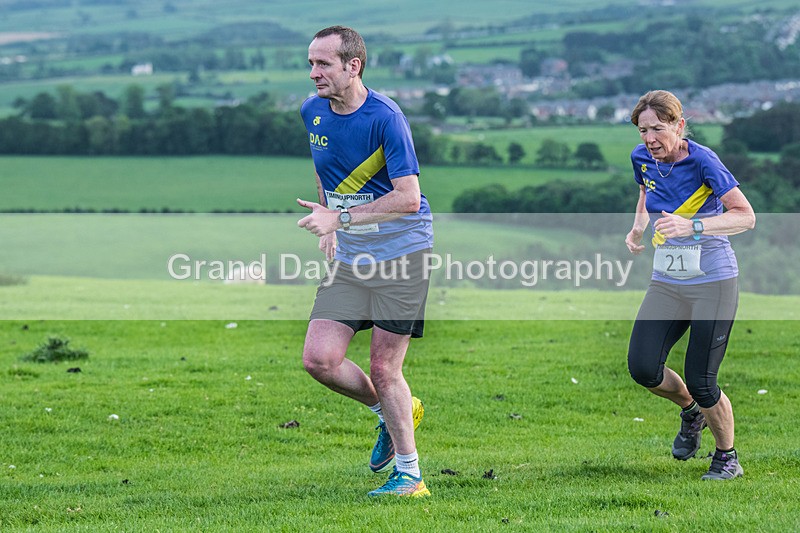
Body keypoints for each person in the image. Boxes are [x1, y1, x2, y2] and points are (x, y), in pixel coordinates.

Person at [296, 25, 434, 497]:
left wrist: (342, 218)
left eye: (323, 64)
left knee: (383, 368)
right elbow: (324, 167)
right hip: (352, 256)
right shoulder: (312, 110)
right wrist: (327, 219)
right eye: (311, 63)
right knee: (319, 359)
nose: (313, 72)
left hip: (402, 255)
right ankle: (391, 414)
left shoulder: (386, 118)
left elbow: (409, 198)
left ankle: (411, 476)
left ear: (353, 66)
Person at [624, 90, 756, 480]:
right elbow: (647, 190)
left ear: (679, 126)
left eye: (658, 129)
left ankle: (727, 457)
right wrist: (638, 226)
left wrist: (692, 225)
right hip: (668, 280)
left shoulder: (704, 161)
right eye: (643, 130)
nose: (649, 138)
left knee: (703, 378)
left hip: (713, 280)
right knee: (643, 367)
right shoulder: (641, 157)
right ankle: (691, 411)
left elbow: (745, 216)